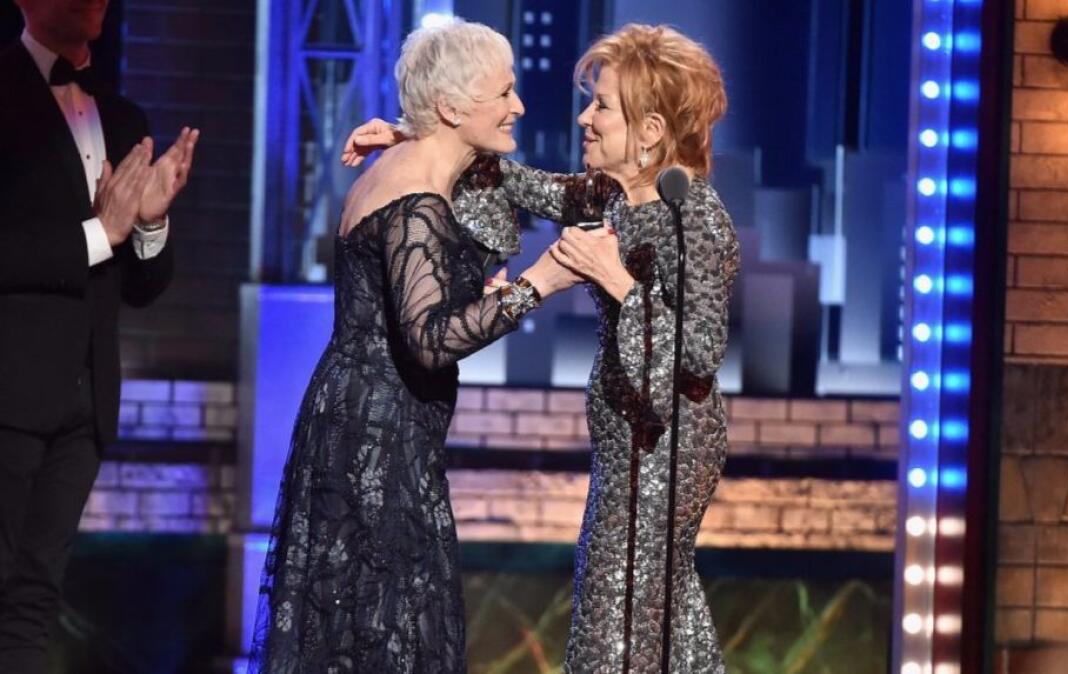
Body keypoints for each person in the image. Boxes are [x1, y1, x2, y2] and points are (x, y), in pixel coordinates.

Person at [345, 23, 739, 674]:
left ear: (648, 132)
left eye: (603, 105)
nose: (585, 117)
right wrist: (421, 139)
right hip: (627, 437)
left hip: (662, 444)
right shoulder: (614, 196)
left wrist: (613, 278)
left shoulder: (693, 216)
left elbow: (697, 356)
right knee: (659, 608)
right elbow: (522, 184)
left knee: (616, 614)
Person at [249, 19, 581, 672]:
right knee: (392, 625)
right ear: (454, 108)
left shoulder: (406, 168)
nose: (519, 106)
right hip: (380, 432)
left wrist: (409, 131)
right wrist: (540, 282)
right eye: (505, 93)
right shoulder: (418, 202)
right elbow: (430, 340)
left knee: (361, 623)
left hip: (362, 418)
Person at [0, 0, 197, 668]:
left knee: (35, 595)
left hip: (86, 407)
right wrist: (98, 234)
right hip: (9, 396)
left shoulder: (123, 119)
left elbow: (141, 287)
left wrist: (149, 224)